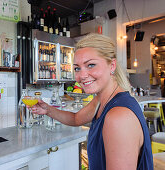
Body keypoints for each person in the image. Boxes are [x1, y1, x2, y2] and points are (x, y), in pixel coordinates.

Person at [31, 33, 153, 170]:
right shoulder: (102, 100)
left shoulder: (119, 117)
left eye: (91, 65)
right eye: (77, 68)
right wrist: (48, 110)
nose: (82, 76)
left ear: (112, 66)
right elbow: (76, 119)